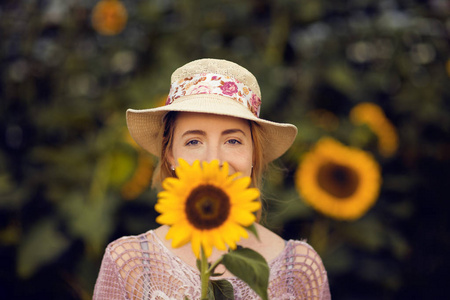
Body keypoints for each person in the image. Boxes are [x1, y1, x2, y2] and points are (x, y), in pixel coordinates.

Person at [93, 58, 331, 300]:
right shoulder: (130, 263)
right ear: (170, 155)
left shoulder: (299, 269)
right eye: (194, 141)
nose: (214, 160)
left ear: (253, 154)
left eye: (233, 141)